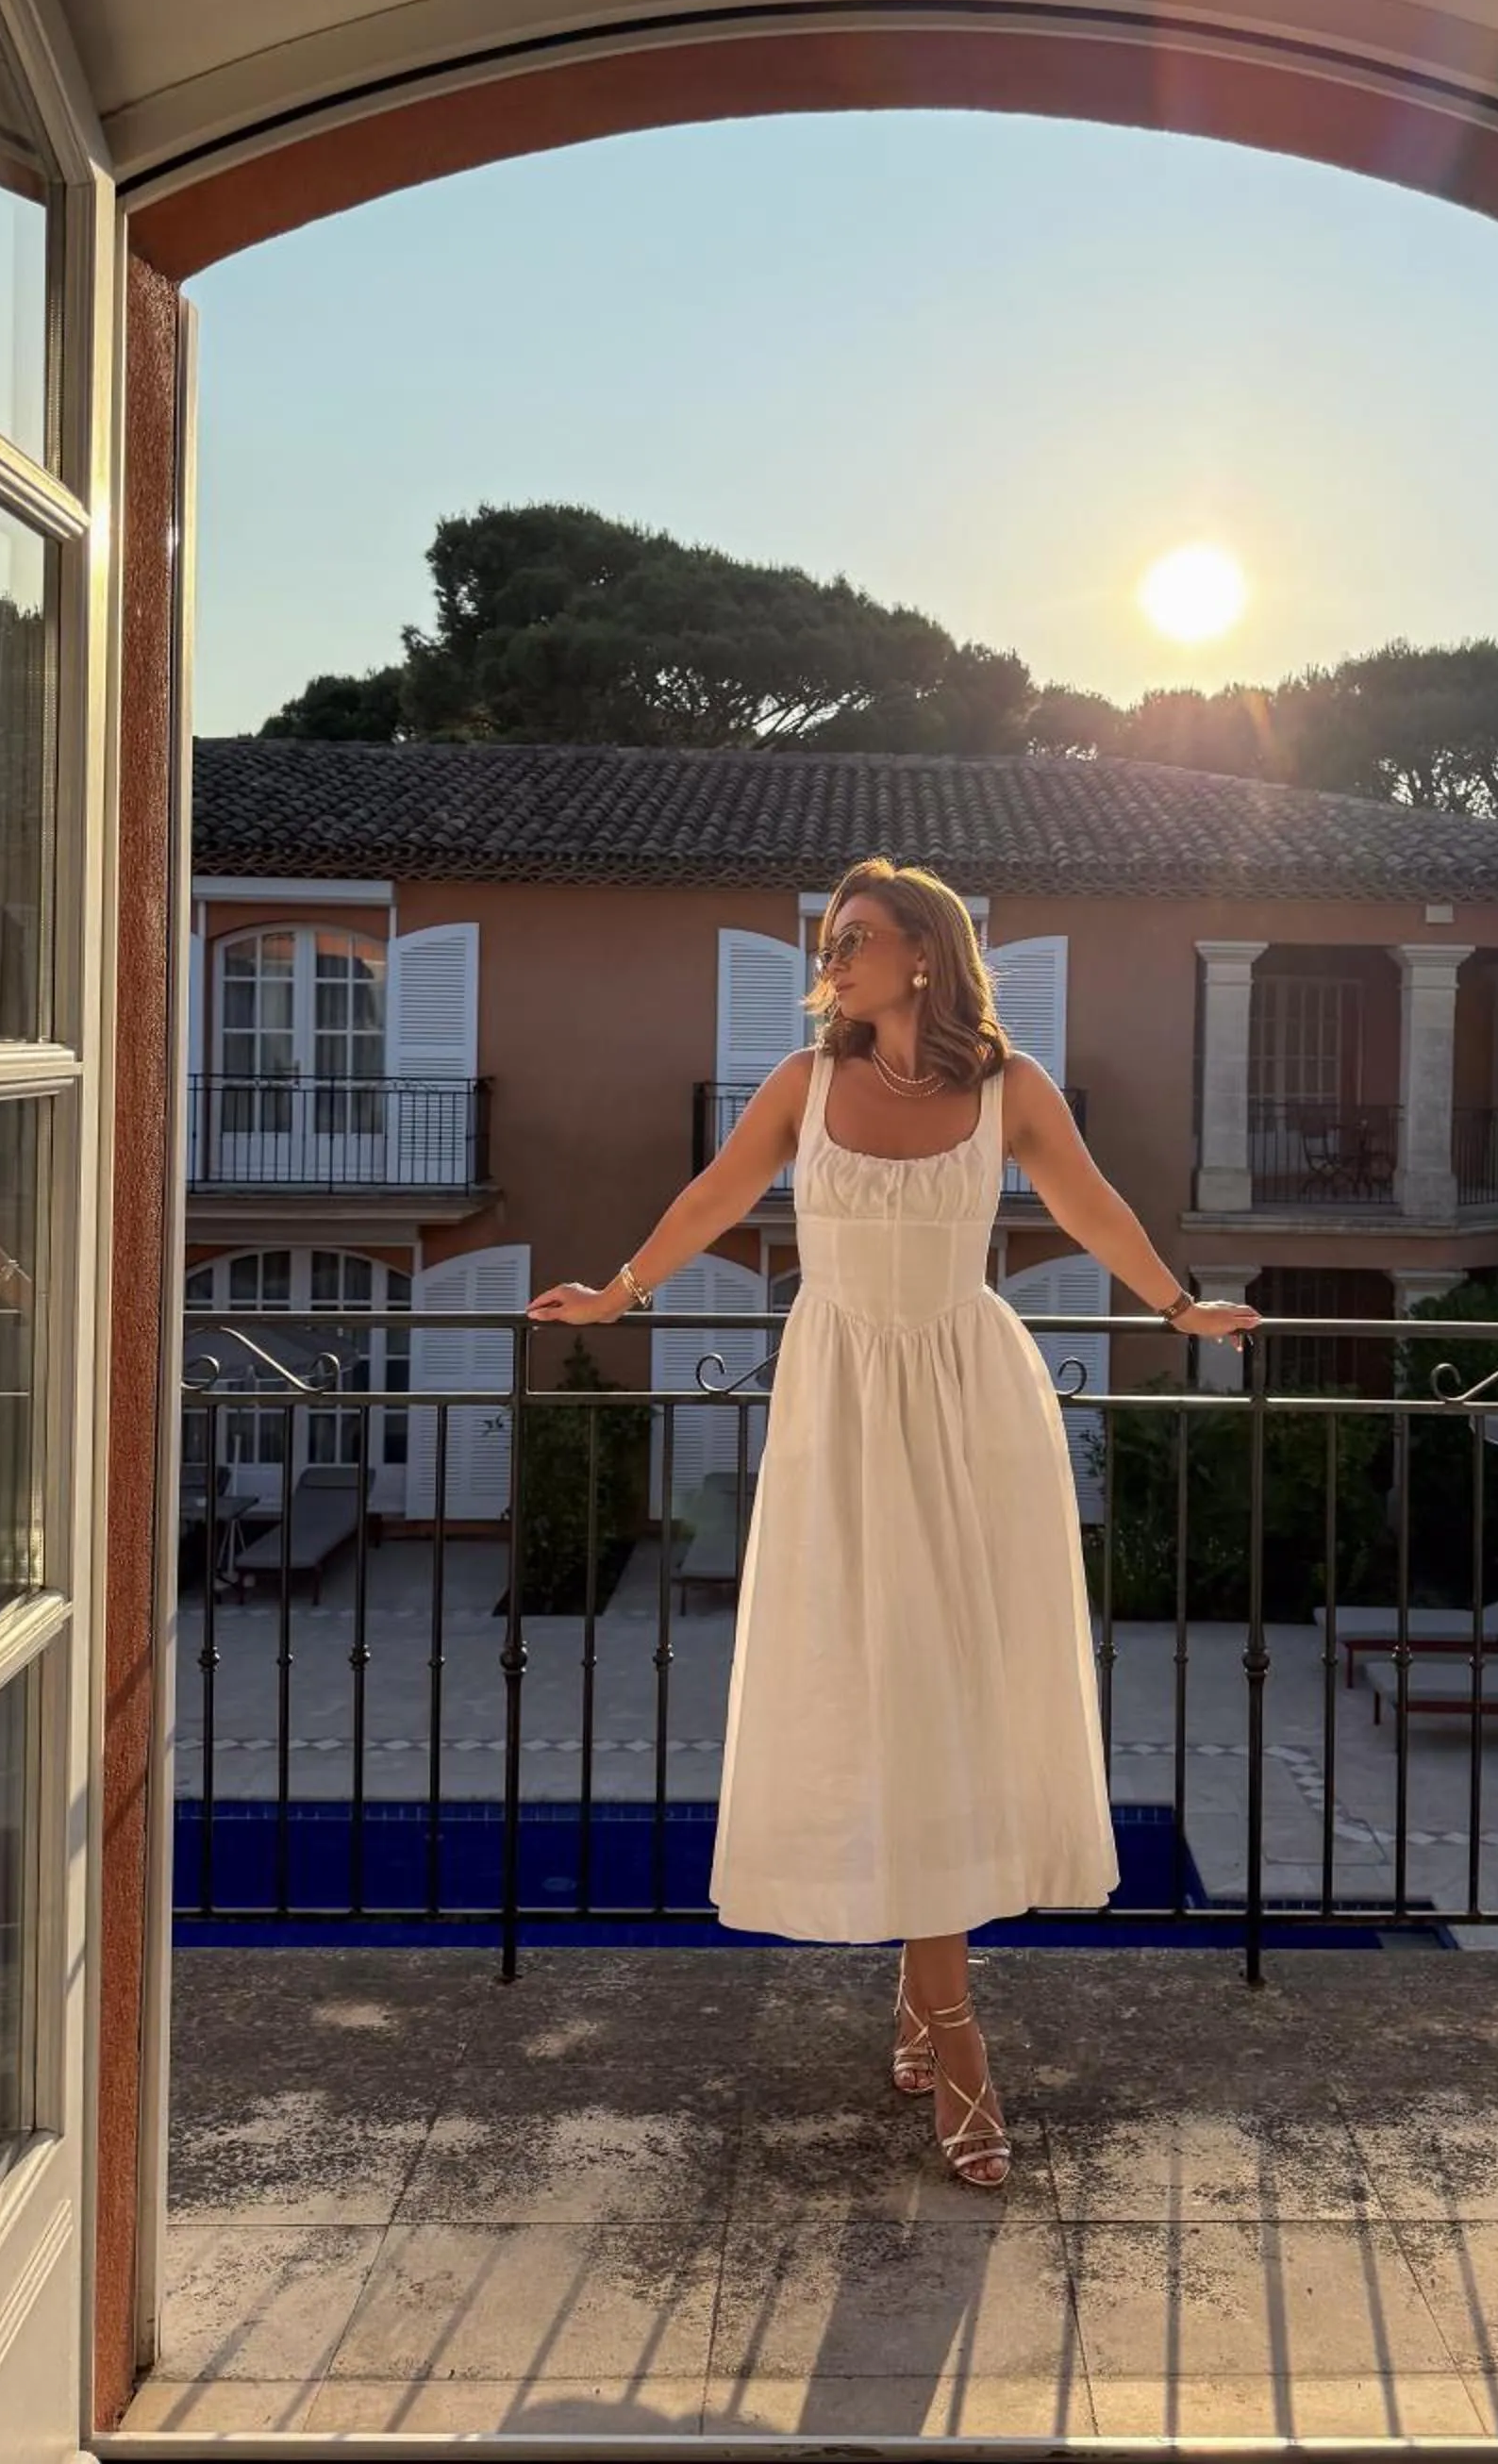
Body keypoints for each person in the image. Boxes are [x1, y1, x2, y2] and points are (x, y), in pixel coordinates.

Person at [529, 856, 1259, 2189]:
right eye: (827, 940)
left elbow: (1092, 1207)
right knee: (875, 1689)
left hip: (970, 1405)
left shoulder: (1007, 1089)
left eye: (855, 938)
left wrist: (1178, 1309)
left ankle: (945, 2018)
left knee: (950, 1693)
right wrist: (616, 1294)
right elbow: (713, 1198)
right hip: (841, 1404)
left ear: (925, 953)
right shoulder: (801, 1086)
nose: (832, 959)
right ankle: (936, 2013)